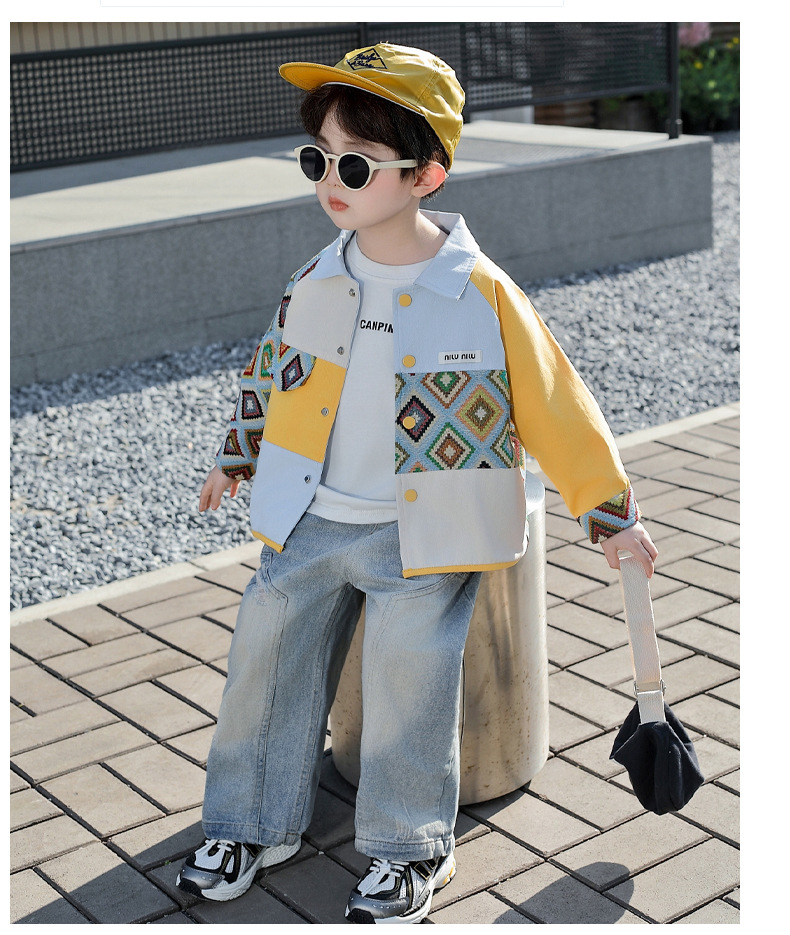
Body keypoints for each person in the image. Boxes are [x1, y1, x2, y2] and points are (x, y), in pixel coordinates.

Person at [176, 42, 658, 924]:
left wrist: (610, 510)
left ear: (427, 175)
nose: (331, 180)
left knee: (411, 685)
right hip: (312, 517)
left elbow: (555, 403)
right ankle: (250, 822)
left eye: (355, 164)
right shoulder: (316, 277)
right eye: (318, 158)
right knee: (263, 665)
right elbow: (271, 373)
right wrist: (236, 454)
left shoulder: (480, 293)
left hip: (424, 535)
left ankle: (408, 849)